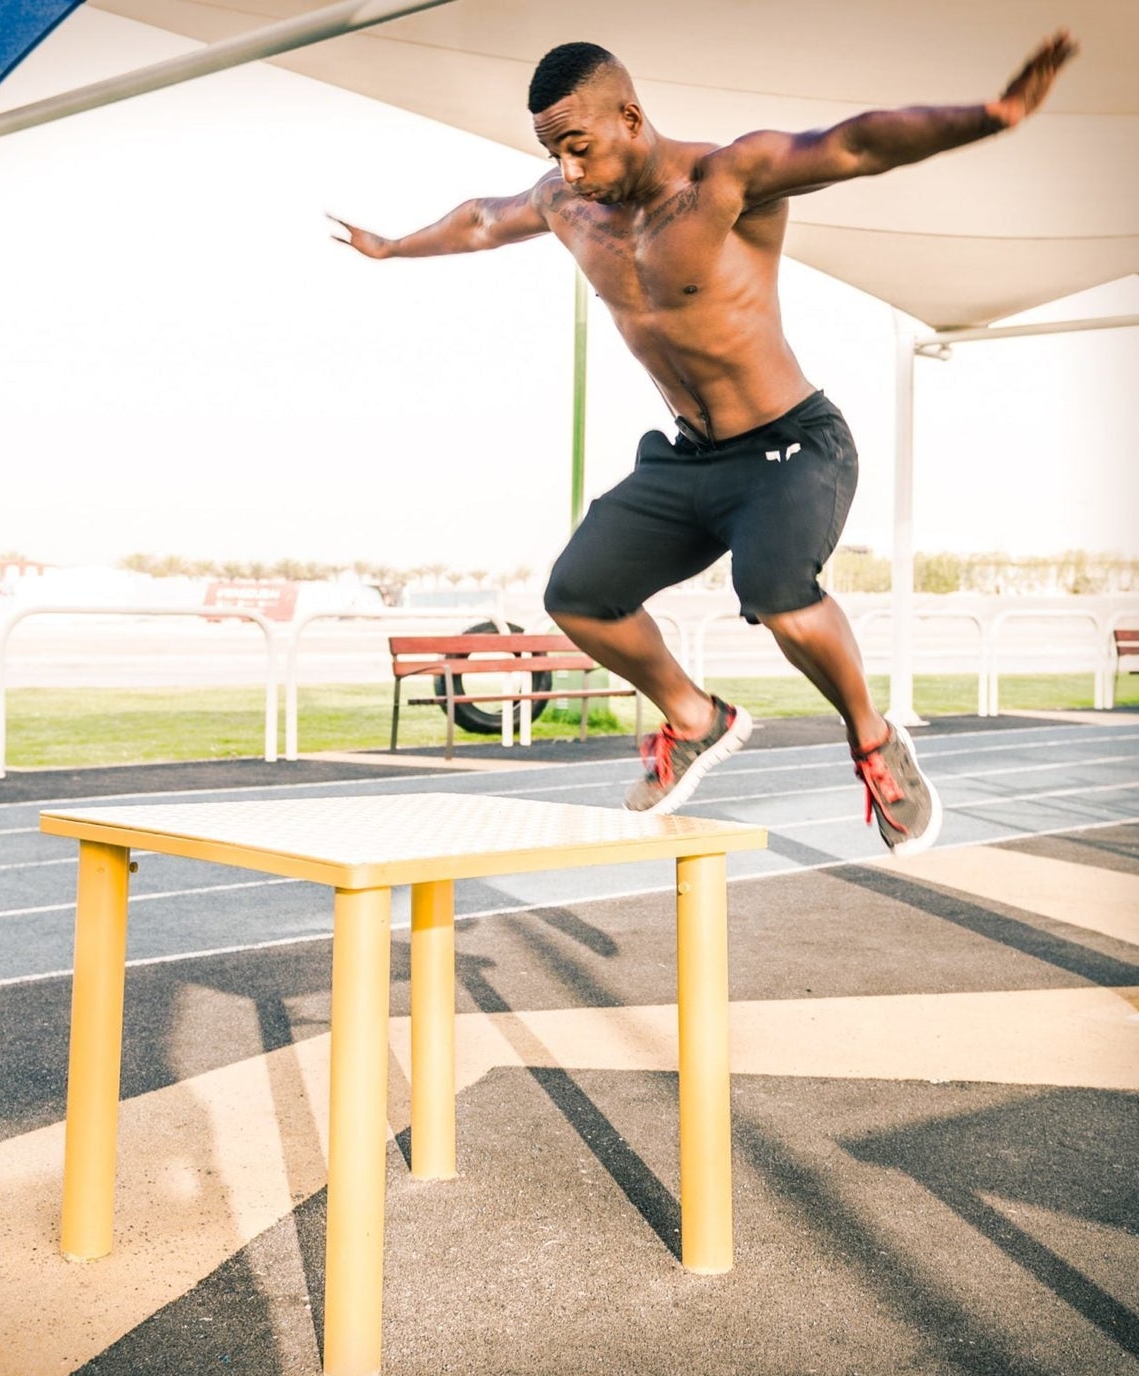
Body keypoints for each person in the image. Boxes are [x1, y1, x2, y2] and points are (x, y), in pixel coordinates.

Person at [331, 33, 1077, 854]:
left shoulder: (727, 178)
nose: (569, 171)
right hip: (692, 458)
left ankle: (872, 737)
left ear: (630, 117)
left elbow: (857, 143)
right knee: (578, 593)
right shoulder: (565, 206)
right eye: (553, 153)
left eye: (578, 147)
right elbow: (478, 221)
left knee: (776, 590)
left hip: (790, 448)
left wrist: (991, 116)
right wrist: (392, 246)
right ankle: (694, 716)